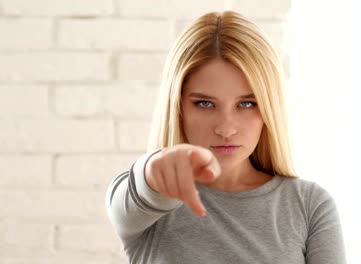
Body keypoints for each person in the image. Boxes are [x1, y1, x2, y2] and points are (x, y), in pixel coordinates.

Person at [105, 10, 346, 264]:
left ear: (269, 109)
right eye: (205, 104)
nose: (226, 128)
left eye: (247, 104)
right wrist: (154, 171)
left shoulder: (308, 205)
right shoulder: (150, 204)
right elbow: (137, 190)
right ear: (177, 108)